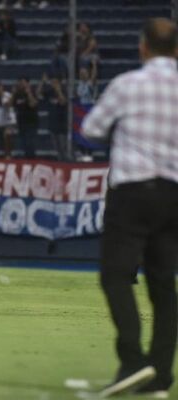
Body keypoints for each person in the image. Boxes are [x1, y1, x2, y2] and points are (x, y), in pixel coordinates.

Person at [81, 18, 178, 398]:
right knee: (164, 285)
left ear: (142, 48)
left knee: (117, 276)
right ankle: (160, 376)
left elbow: (91, 129)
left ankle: (133, 360)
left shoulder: (127, 85)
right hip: (173, 194)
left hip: (132, 191)